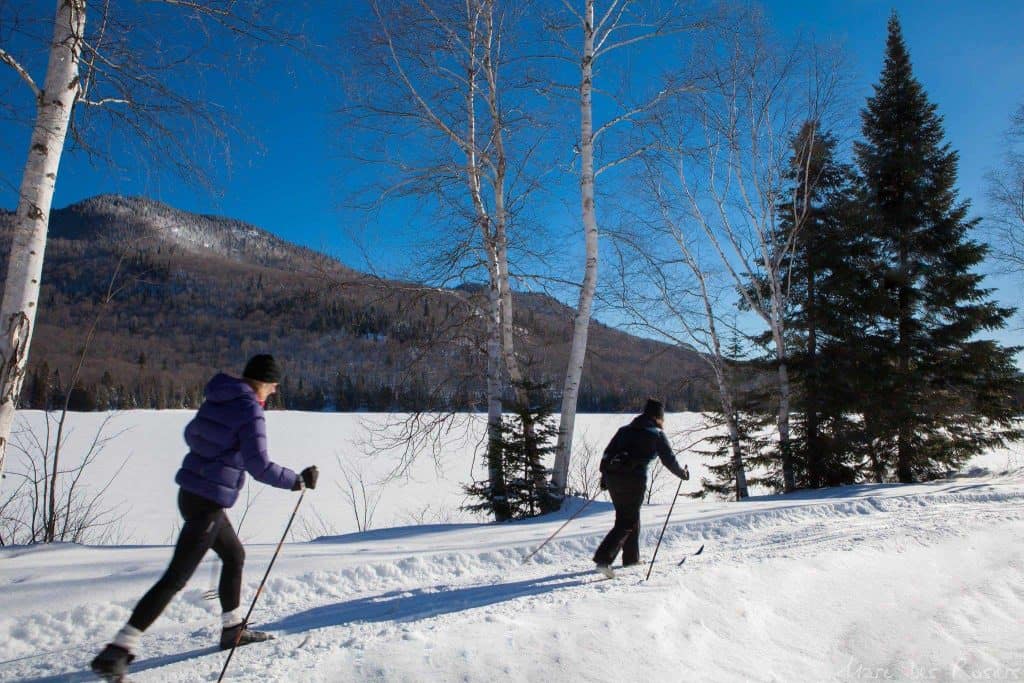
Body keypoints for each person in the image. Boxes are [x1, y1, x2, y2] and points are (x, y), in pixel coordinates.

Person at [91, 354, 318, 680]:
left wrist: (218, 455)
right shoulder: (251, 411)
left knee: (234, 554)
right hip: (208, 502)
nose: (274, 392)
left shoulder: (220, 398)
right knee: (176, 578)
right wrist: (297, 480)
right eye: (273, 386)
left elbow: (192, 434)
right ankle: (118, 649)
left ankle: (232, 630)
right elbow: (260, 466)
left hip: (191, 493)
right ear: (264, 383)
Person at [592, 398, 688, 578]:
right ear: (657, 417)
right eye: (662, 418)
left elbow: (607, 454)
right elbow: (668, 460)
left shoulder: (623, 431)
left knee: (628, 516)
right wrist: (682, 474)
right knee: (627, 521)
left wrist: (605, 477)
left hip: (613, 479)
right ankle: (603, 559)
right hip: (633, 480)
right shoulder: (656, 434)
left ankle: (631, 559)